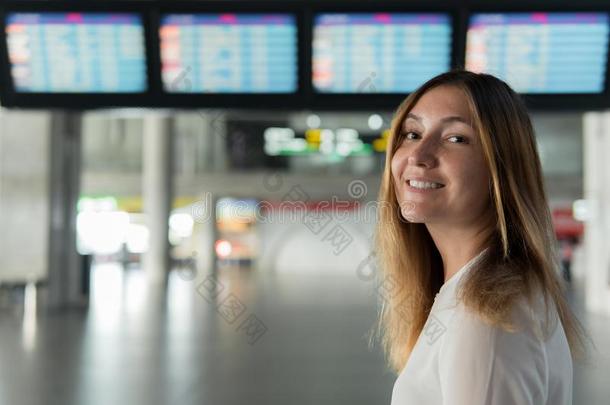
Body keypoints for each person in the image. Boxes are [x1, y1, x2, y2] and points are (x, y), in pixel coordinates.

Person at [372, 70, 587, 404]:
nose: (418, 155)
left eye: (456, 138)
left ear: (501, 168)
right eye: (412, 133)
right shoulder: (473, 296)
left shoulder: (485, 320)